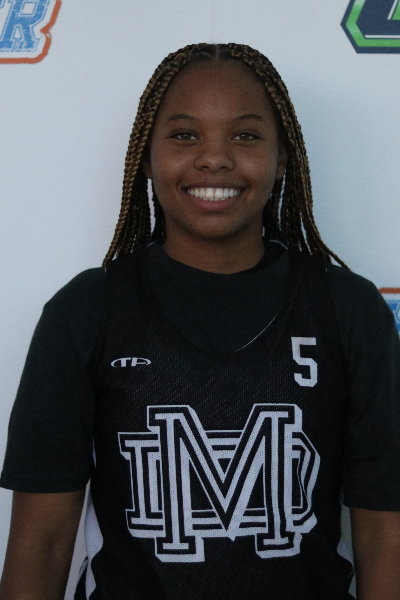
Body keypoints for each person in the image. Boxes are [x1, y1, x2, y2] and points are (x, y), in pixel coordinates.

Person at [0, 43, 399, 600]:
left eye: (246, 135)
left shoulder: (348, 311)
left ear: (283, 158)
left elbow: (384, 538)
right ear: (146, 156)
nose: (214, 159)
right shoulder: (85, 312)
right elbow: (41, 546)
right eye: (185, 135)